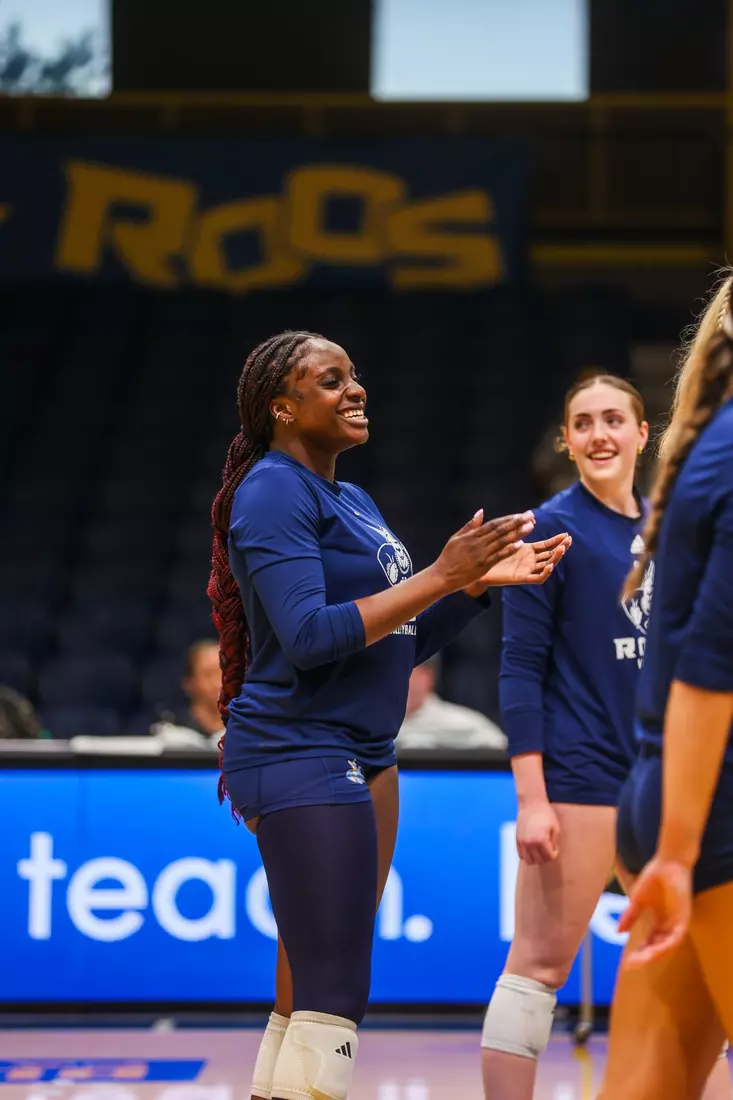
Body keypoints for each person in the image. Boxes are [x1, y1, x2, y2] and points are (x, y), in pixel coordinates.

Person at [206, 330, 570, 1100]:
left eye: (355, 376)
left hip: (364, 750)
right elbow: (307, 638)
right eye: (330, 380)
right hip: (299, 747)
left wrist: (471, 589)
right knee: (335, 992)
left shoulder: (354, 499)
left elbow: (397, 641)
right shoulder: (272, 489)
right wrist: (440, 571)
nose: (354, 389)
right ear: (281, 405)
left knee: (310, 988)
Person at [480, 372, 731, 1100]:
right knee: (535, 971)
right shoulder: (545, 529)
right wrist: (531, 797)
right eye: (583, 423)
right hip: (581, 780)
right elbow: (519, 671)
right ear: (566, 440)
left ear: (641, 433)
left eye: (613, 419)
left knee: (692, 973)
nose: (598, 434)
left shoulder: (665, 526)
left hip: (658, 780)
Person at [596, 277, 733, 1099]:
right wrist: (677, 858)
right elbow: (709, 673)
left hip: (667, 799)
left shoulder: (710, 442)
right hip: (709, 815)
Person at [396, 655, 507, 752]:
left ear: (427, 677)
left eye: (400, 673)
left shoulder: (466, 727)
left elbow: (504, 757)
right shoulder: (379, 724)